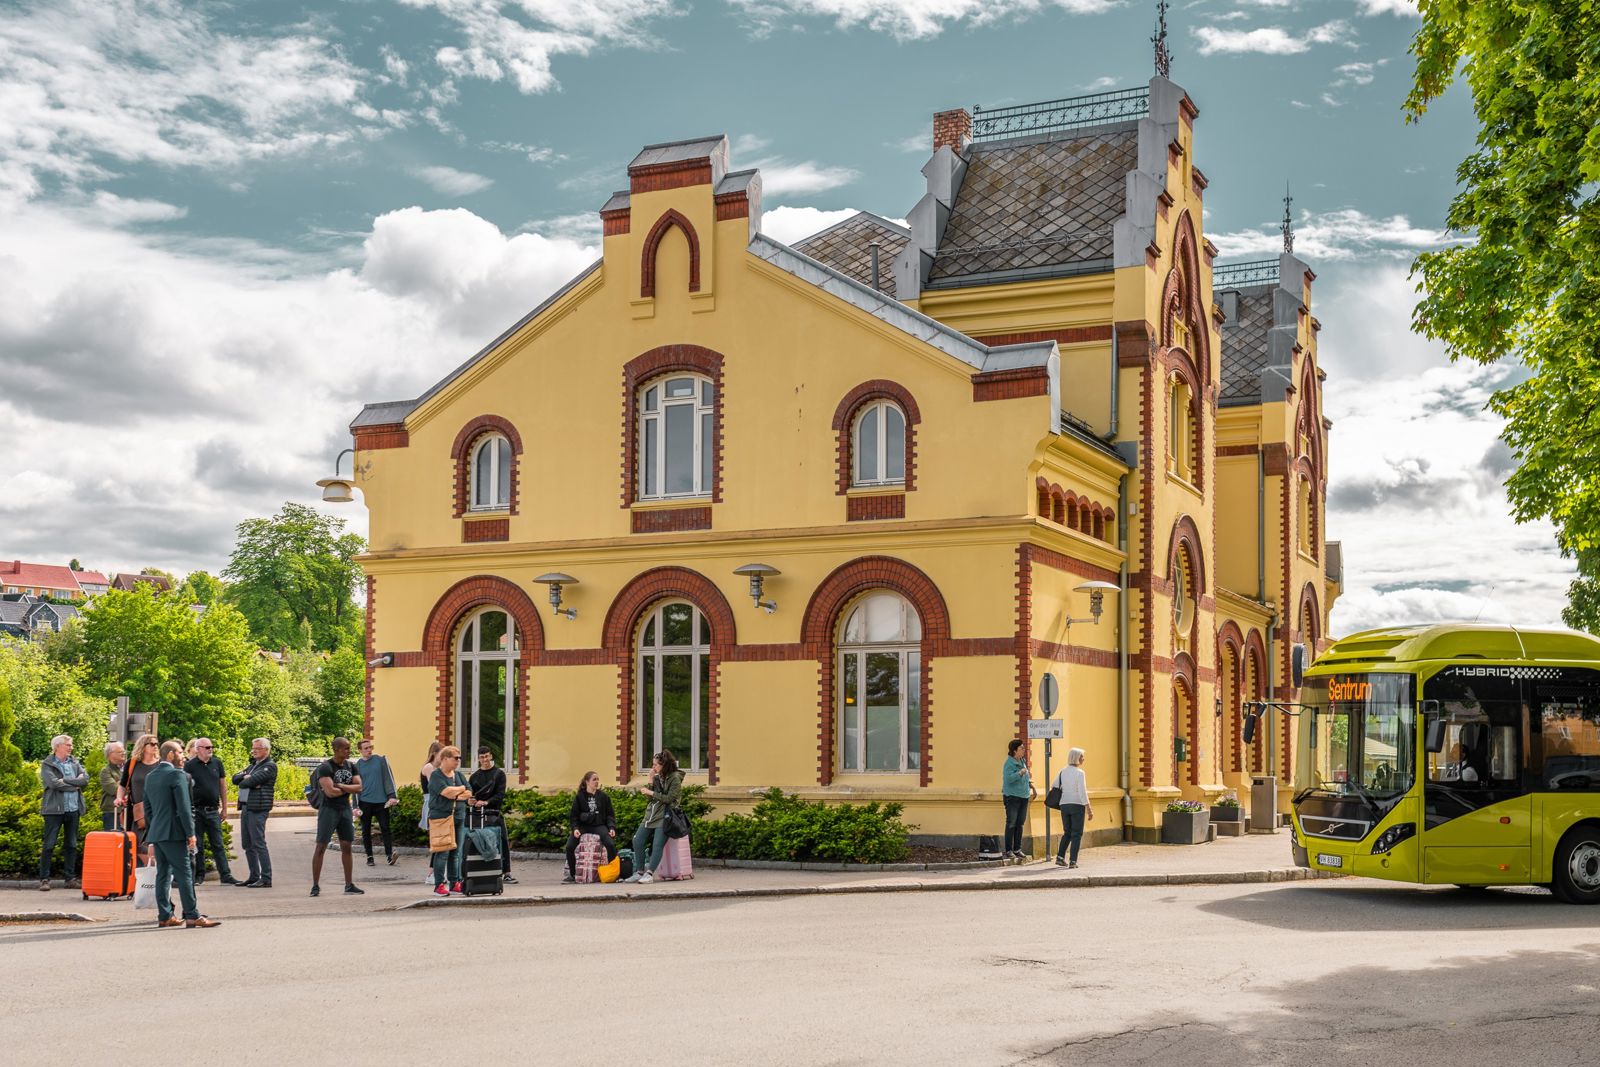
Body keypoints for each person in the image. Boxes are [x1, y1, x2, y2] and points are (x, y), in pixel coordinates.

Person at [144, 741, 220, 928]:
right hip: (174, 833)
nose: (184, 755)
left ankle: (165, 915)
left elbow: (147, 808)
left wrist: (154, 829)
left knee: (163, 875)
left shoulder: (151, 776)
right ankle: (193, 915)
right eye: (179, 752)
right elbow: (184, 808)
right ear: (170, 755)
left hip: (158, 832)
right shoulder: (176, 775)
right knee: (185, 873)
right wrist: (190, 832)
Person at [309, 737, 364, 897]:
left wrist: (341, 786)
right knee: (321, 846)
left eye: (349, 748)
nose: (349, 751)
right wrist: (348, 788)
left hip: (345, 810)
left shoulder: (351, 766)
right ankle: (315, 885)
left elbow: (359, 787)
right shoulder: (325, 768)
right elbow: (330, 792)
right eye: (346, 748)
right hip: (328, 810)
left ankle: (349, 885)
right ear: (337, 749)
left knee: (347, 846)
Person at [184, 737, 239, 886]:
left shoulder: (217, 763)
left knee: (218, 844)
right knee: (198, 845)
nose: (210, 749)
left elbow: (222, 786)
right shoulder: (190, 766)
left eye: (211, 747)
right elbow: (185, 787)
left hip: (213, 810)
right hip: (197, 811)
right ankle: (199, 875)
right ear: (198, 749)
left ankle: (225, 875)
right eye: (207, 747)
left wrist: (225, 808)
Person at [38, 734, 89, 891]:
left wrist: (65, 782)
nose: (71, 747)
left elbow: (85, 779)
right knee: (49, 844)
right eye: (68, 744)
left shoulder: (74, 761)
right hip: (54, 810)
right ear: (58, 746)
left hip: (73, 809)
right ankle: (44, 879)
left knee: (71, 845)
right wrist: (75, 784)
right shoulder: (47, 764)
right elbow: (54, 784)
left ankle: (70, 879)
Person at [625, 750, 682, 885]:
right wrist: (650, 781)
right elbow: (651, 799)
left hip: (666, 815)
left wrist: (650, 791)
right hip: (652, 813)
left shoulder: (675, 778)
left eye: (656, 765)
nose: (653, 768)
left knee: (657, 845)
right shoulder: (658, 777)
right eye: (653, 765)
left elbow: (669, 799)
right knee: (637, 840)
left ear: (664, 765)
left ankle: (649, 873)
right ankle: (639, 872)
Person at [231, 738, 278, 888]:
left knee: (258, 842)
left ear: (266, 750)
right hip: (246, 807)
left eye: (258, 748)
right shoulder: (252, 766)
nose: (254, 750)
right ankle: (253, 876)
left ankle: (266, 878)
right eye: (253, 748)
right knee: (247, 844)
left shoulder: (269, 766)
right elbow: (235, 779)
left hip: (258, 808)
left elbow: (246, 783)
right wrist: (247, 778)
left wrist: (247, 780)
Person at [427, 746, 472, 896]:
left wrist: (456, 793)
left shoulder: (459, 775)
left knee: (456, 852)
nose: (458, 761)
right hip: (441, 818)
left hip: (459, 816)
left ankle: (455, 882)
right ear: (445, 759)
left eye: (459, 758)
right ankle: (439, 885)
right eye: (455, 758)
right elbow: (446, 792)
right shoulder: (436, 776)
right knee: (443, 851)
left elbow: (469, 792)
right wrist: (460, 789)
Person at [469, 746, 516, 884]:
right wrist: (473, 802)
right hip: (478, 815)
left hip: (494, 812)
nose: (485, 760)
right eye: (482, 757)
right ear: (478, 759)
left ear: (491, 756)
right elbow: (470, 794)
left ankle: (507, 872)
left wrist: (486, 802)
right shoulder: (474, 777)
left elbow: (500, 794)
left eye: (487, 756)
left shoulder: (499, 774)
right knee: (479, 841)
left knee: (502, 841)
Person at [564, 770, 617, 884]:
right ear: (587, 782)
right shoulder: (580, 797)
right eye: (594, 779)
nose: (597, 782)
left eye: (598, 779)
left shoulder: (603, 796)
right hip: (583, 826)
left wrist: (611, 828)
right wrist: (575, 829)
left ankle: (614, 873)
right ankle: (573, 875)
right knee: (569, 847)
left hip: (599, 825)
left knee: (610, 844)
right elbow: (574, 816)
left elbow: (610, 814)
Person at [354, 739, 399, 867]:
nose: (369, 750)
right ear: (360, 751)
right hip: (364, 802)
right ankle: (369, 857)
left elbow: (388, 778)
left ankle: (390, 856)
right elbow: (355, 787)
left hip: (381, 803)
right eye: (366, 748)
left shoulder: (380, 760)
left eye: (370, 747)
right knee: (365, 830)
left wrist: (392, 796)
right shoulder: (357, 766)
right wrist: (355, 806)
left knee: (385, 828)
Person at [118, 733, 162, 864]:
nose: (155, 746)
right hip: (137, 811)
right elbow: (122, 785)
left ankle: (156, 872)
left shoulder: (161, 764)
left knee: (155, 841)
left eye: (156, 744)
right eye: (152, 744)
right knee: (138, 843)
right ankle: (146, 873)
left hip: (158, 808)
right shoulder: (132, 764)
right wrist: (119, 798)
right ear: (143, 746)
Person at [1051, 747, 1092, 869]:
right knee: (1076, 834)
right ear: (1077, 758)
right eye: (1082, 757)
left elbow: (1054, 785)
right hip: (1077, 805)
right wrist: (1089, 808)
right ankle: (1073, 861)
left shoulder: (1062, 771)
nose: (1083, 759)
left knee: (1067, 832)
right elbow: (1082, 792)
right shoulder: (1080, 773)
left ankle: (1060, 857)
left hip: (1064, 805)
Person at [1001, 738, 1035, 860]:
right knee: (1011, 823)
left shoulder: (1022, 761)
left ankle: (1017, 849)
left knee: (1020, 823)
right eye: (1021, 748)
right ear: (1015, 750)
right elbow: (1008, 779)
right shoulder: (1009, 764)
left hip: (1024, 796)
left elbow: (1025, 777)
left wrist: (1031, 786)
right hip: (1012, 797)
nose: (1024, 750)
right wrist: (1019, 773)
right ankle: (1009, 850)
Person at [99, 742, 126, 831]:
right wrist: (125, 786)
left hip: (129, 811)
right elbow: (114, 790)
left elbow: (136, 786)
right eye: (119, 752)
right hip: (112, 812)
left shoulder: (129, 768)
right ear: (110, 755)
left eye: (123, 751)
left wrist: (120, 783)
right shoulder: (106, 771)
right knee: (114, 840)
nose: (123, 753)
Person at [418, 740, 443, 833]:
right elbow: (436, 786)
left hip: (438, 802)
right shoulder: (429, 767)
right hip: (431, 802)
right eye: (442, 754)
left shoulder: (439, 768)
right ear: (435, 754)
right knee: (434, 833)